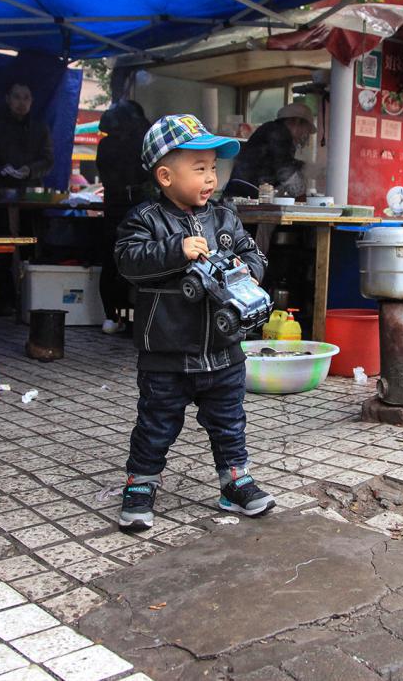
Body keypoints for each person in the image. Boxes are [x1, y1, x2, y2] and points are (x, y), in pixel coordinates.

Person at [114, 113, 274, 531]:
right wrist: (175, 249)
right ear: (165, 176)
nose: (210, 177)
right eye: (199, 168)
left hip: (224, 351)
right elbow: (128, 263)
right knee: (156, 423)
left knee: (229, 420)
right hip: (167, 351)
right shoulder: (144, 219)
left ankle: (234, 481)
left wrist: (247, 269)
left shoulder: (224, 217)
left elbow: (254, 254)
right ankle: (141, 482)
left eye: (214, 168)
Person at [0, 81, 54, 314]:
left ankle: (32, 299)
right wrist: (0, 168)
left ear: (32, 102)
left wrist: (30, 170)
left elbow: (48, 160)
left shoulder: (40, 128)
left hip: (32, 196)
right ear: (8, 99)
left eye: (26, 98)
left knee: (32, 248)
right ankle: (5, 300)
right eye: (17, 97)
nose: (22, 102)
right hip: (2, 195)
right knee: (2, 249)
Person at [95, 100, 151, 335]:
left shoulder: (106, 144)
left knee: (111, 260)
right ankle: (132, 317)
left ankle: (112, 316)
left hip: (113, 205)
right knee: (138, 258)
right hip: (137, 202)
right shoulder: (141, 141)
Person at [226, 101, 317, 198]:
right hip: (244, 194)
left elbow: (278, 161)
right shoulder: (279, 133)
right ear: (296, 122)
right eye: (305, 130)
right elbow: (285, 169)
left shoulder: (273, 130)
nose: (305, 135)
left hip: (241, 191)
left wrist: (306, 167)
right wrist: (301, 194)